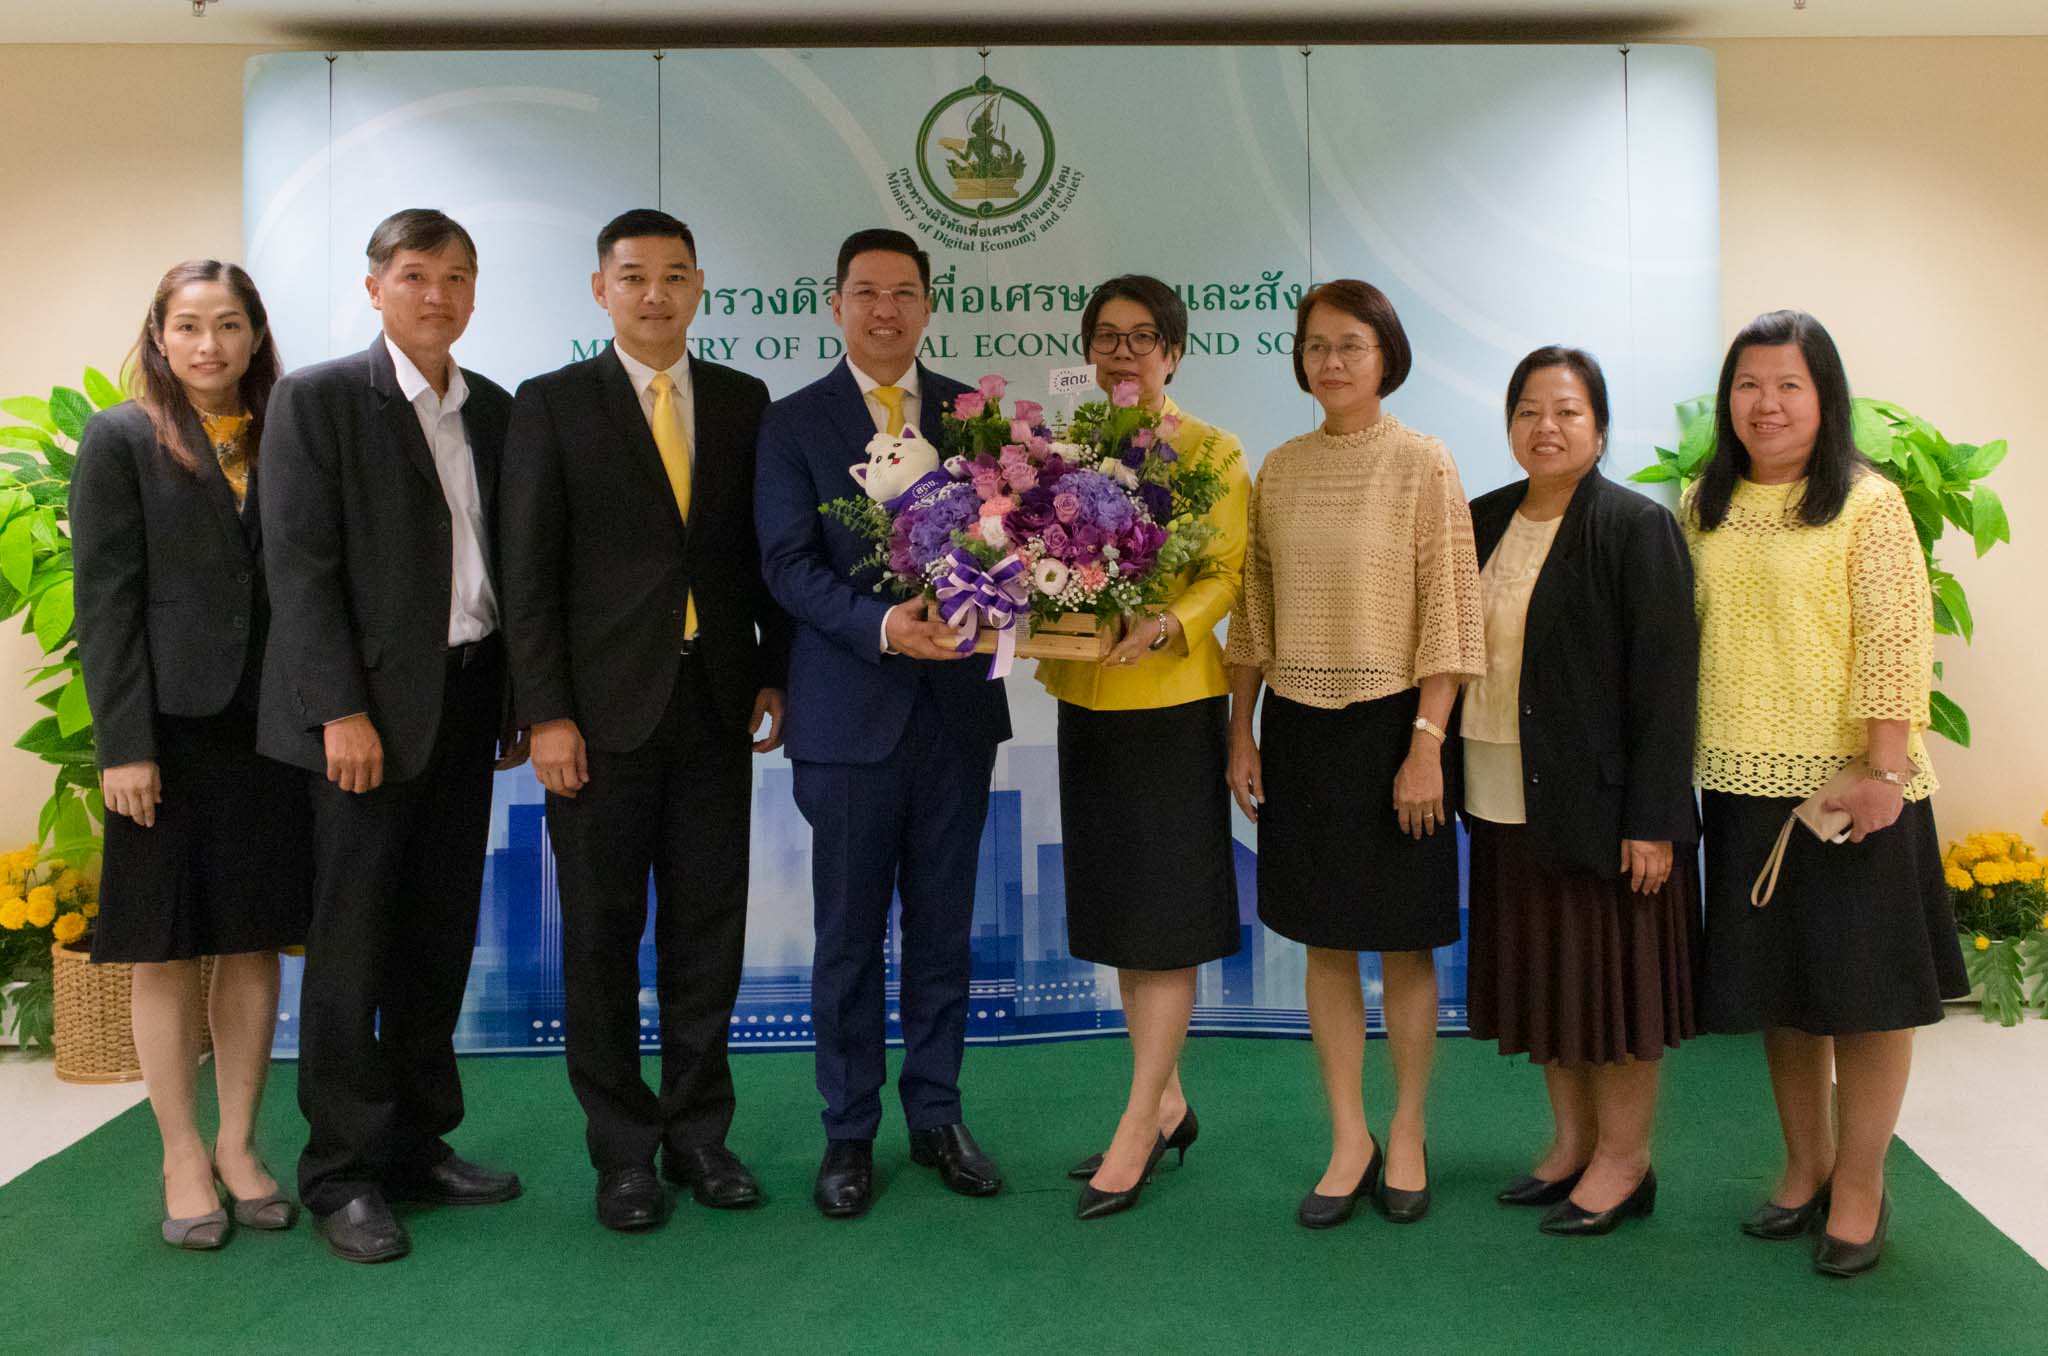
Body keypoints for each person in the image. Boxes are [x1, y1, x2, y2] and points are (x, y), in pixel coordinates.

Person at [501, 209, 790, 1232]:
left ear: (700, 286)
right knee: (600, 940)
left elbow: (764, 556)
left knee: (708, 933)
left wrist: (773, 672)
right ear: (601, 290)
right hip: (597, 720)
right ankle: (622, 1152)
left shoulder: (744, 401)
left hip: (715, 705)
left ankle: (700, 1135)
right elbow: (527, 575)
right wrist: (545, 713)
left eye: (674, 275)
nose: (654, 294)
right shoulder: (550, 403)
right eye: (633, 276)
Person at [258, 209, 528, 1264]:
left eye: (457, 277)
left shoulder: (494, 409)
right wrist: (339, 710)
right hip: (361, 722)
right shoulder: (319, 400)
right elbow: (300, 569)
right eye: (415, 275)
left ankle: (417, 1143)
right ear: (375, 287)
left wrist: (514, 699)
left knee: (435, 937)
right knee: (353, 947)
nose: (437, 295)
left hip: (466, 703)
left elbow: (508, 568)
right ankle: (340, 1172)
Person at [1682, 309, 1966, 1278]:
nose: (1764, 404)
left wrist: (1883, 770)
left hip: (1851, 792)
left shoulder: (1865, 502)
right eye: (1747, 385)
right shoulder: (1702, 504)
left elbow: (1895, 637)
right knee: (1784, 994)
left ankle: (1860, 1184)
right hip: (1742, 783)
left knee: (1863, 1000)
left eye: (1787, 386)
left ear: (1823, 396)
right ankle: (1803, 1167)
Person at [755, 227, 1012, 1219]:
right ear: (836, 305)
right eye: (865, 292)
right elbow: (787, 567)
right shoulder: (794, 424)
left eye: (903, 292)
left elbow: (1014, 544)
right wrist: (882, 626)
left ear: (928, 304)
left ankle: (938, 1114)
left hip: (957, 716)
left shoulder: (975, 417)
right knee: (849, 941)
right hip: (847, 717)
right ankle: (849, 1132)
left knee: (943, 933)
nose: (885, 310)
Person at [1224, 279, 1484, 1228]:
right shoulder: (1281, 469)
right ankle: (1349, 1138)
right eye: (1316, 346)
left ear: (1386, 357)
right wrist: (1241, 731)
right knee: (1325, 942)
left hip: (1397, 732)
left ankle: (1407, 1131)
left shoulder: (1424, 463)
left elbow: (1451, 613)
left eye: (1351, 346)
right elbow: (1253, 615)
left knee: (1404, 944)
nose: (1331, 362)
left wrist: (1427, 746)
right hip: (1299, 729)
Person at [72, 260, 312, 1250]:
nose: (209, 345)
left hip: (271, 730)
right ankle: (180, 1154)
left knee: (250, 939)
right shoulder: (121, 437)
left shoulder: (290, 430)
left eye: (228, 325)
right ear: (160, 337)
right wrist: (123, 745)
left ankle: (240, 1144)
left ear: (255, 334)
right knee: (165, 945)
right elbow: (106, 603)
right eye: (188, 326)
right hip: (166, 735)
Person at [1461, 346, 1701, 1237]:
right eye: (1529, 410)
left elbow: (1667, 685)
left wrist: (1654, 820)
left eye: (1567, 411)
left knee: (1615, 992)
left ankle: (1625, 1161)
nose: (1546, 427)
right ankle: (1571, 1146)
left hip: (1605, 810)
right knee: (1550, 985)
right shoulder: (1483, 519)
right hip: (1500, 789)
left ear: (1599, 427)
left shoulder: (1636, 527)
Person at [1038, 276, 1249, 1220]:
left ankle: (1138, 1126)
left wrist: (1168, 621)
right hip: (1087, 698)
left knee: (1163, 919)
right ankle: (1167, 1100)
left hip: (1169, 702)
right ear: (1090, 350)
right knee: (1123, 912)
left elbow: (1228, 572)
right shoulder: (1066, 450)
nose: (1123, 353)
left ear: (1175, 352)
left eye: (1143, 337)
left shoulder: (1213, 451)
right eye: (1108, 337)